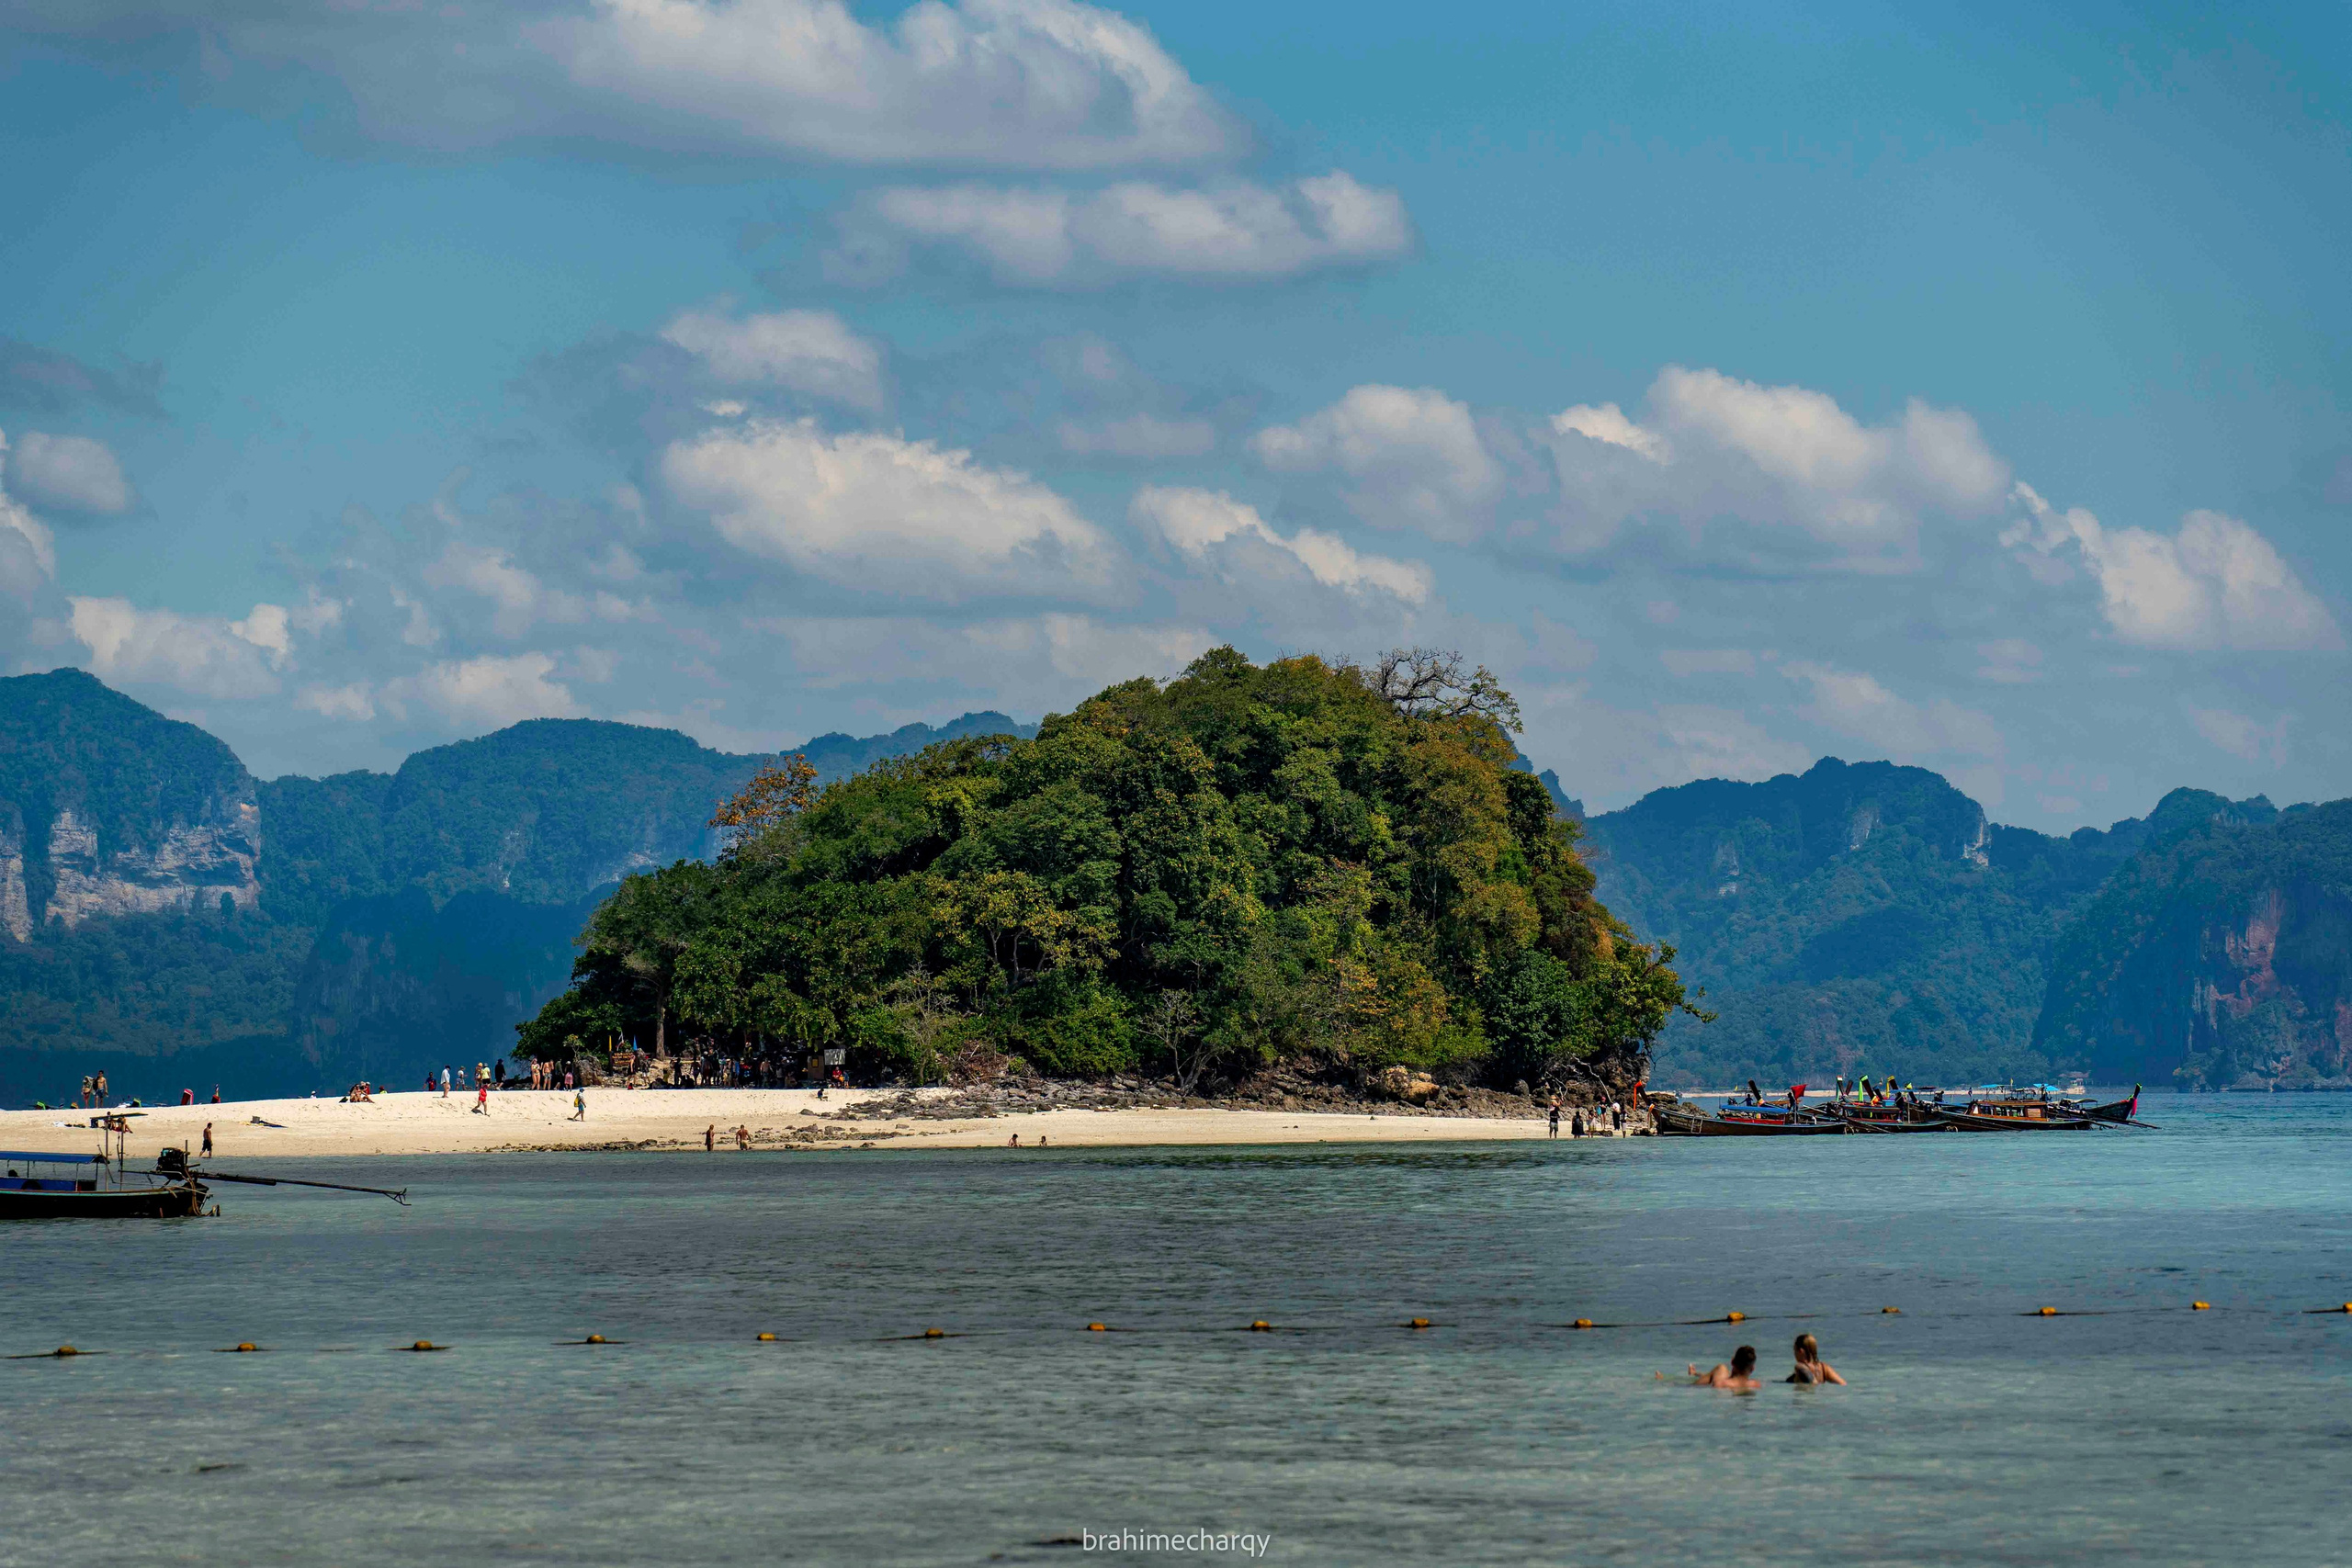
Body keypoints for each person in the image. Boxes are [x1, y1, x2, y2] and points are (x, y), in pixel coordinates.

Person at [1689, 1346, 1760, 1390]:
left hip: (1693, 1386)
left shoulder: (1720, 1385)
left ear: (1732, 1362)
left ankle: (1694, 1374)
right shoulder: (1756, 1385)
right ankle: (1695, 1373)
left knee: (1721, 1368)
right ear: (1752, 1369)